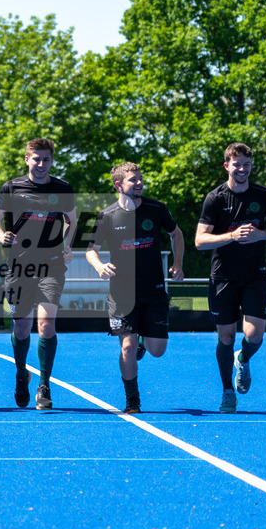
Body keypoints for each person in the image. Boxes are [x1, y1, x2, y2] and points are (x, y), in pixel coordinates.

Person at [0, 138, 77, 410]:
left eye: (46, 159)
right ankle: (21, 373)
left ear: (52, 161)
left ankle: (44, 385)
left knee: (46, 324)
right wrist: (1, 235)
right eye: (36, 158)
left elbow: (71, 220)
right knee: (22, 327)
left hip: (51, 265)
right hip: (19, 267)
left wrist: (67, 244)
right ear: (27, 159)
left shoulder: (62, 188)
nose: (41, 163)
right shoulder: (11, 187)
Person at [86, 162, 184, 413]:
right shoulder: (106, 216)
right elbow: (91, 251)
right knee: (126, 347)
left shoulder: (156, 208)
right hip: (121, 293)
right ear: (119, 185)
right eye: (133, 180)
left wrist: (178, 264)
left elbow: (176, 234)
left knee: (157, 351)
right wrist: (99, 266)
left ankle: (143, 339)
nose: (139, 183)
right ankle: (132, 399)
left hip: (154, 291)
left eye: (140, 179)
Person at [194, 143, 266, 414]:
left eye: (247, 164)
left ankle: (243, 358)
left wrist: (261, 234)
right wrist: (232, 236)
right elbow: (200, 241)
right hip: (223, 277)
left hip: (255, 275)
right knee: (226, 336)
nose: (242, 169)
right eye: (237, 164)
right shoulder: (215, 198)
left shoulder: (263, 195)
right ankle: (227, 392)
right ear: (227, 166)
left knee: (254, 336)